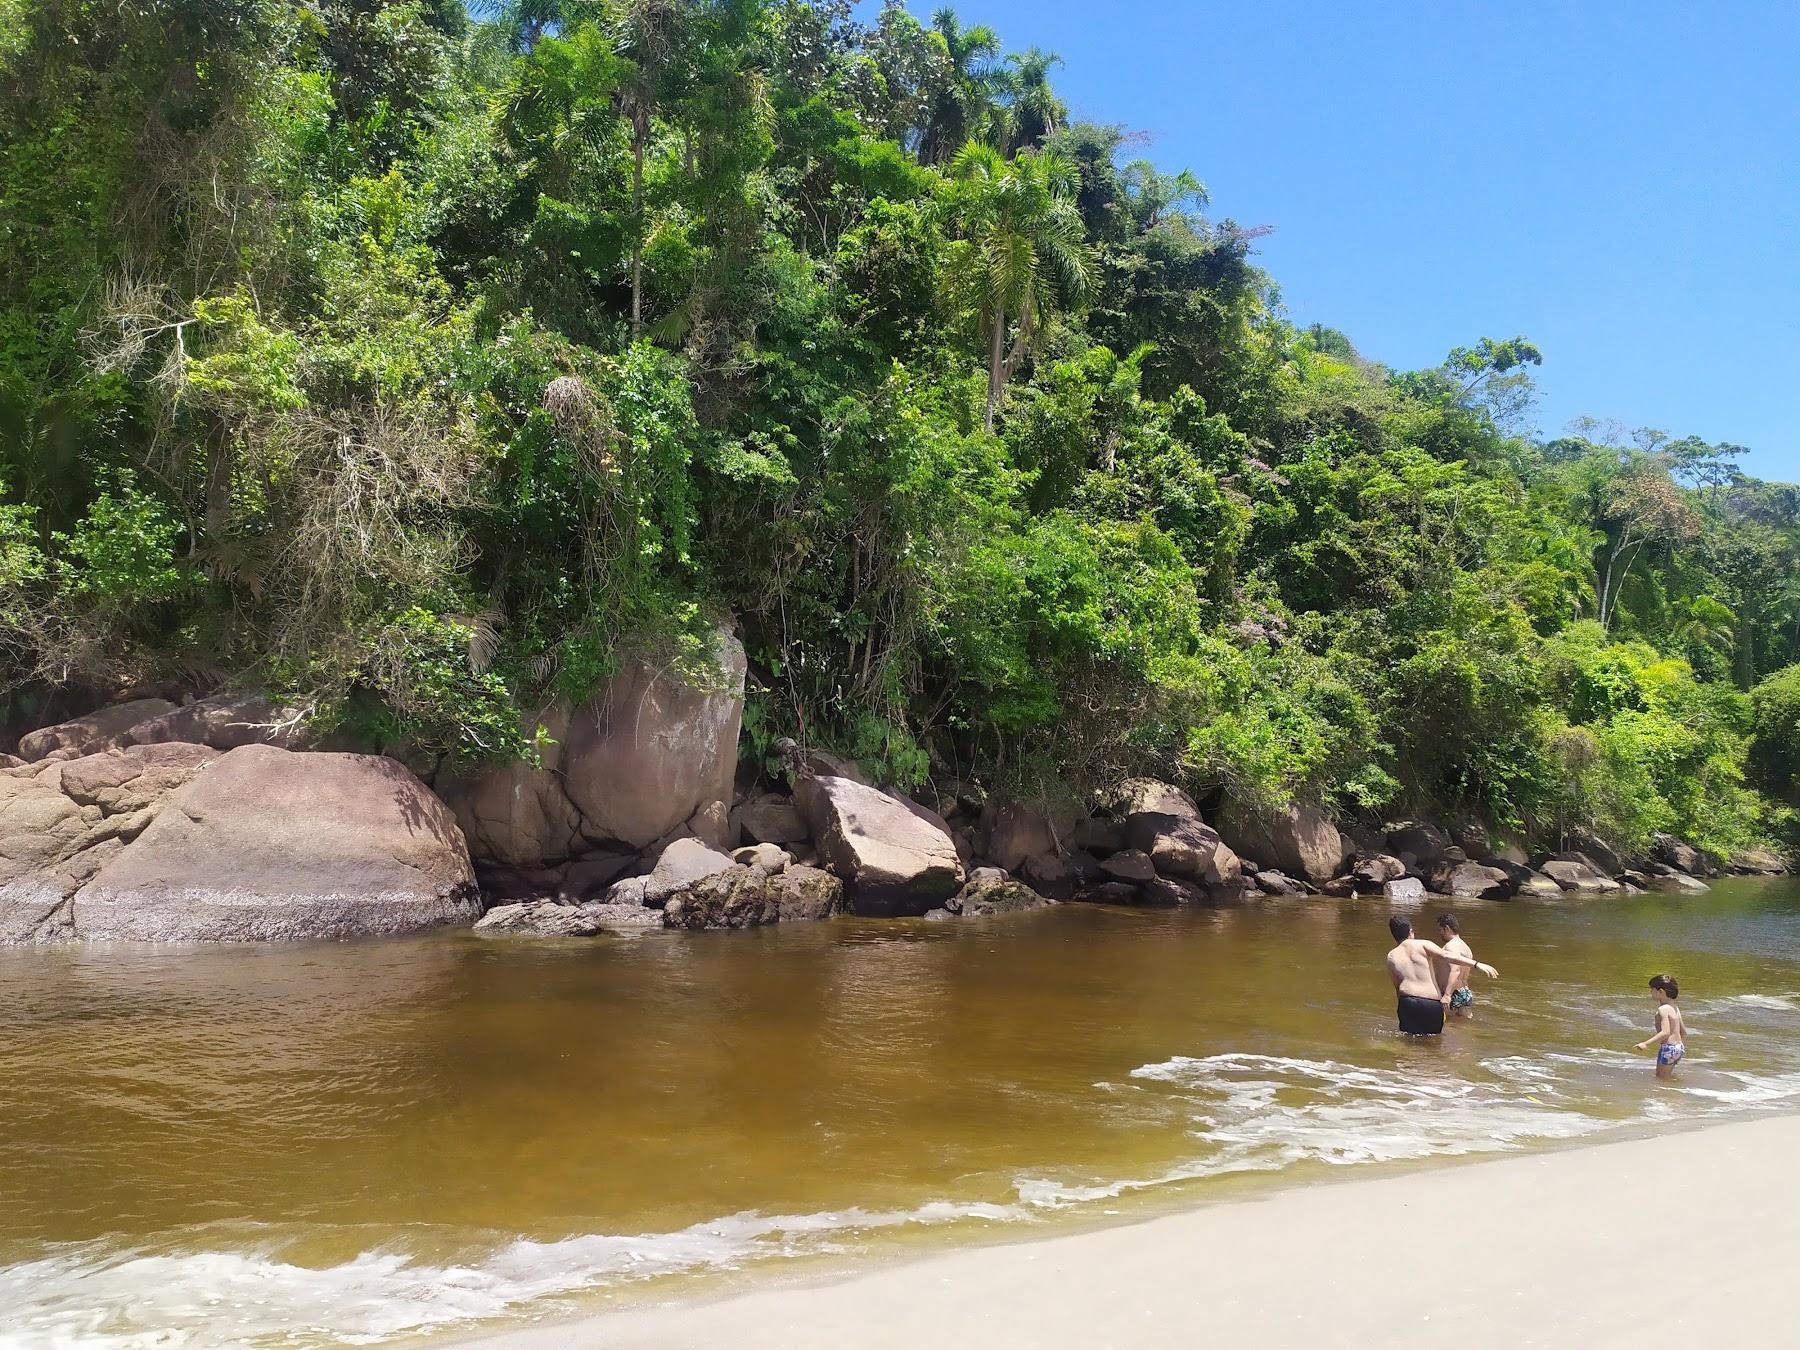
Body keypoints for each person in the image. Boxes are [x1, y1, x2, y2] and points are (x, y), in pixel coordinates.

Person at [1385, 915, 1497, 1036]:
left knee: (1408, 1041)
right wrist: (1476, 964)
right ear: (1410, 932)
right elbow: (1448, 956)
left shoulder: (1391, 956)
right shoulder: (1423, 944)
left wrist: (1403, 1010)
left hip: (1407, 1002)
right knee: (1434, 1042)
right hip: (1431, 1003)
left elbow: (1397, 987)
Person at [1635, 974, 1687, 1078]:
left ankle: (1670, 1093)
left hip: (1669, 1048)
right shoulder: (1675, 1007)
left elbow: (1665, 1032)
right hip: (1678, 1048)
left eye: (1652, 989)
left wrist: (1646, 1043)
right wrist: (1676, 1047)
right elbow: (1683, 1032)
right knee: (1666, 1076)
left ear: (1661, 992)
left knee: (1661, 1079)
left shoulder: (1663, 1009)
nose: (1650, 992)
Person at [1433, 913, 1481, 1013]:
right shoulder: (1466, 947)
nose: (1439, 933)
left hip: (1452, 994)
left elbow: (1455, 970)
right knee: (1459, 1026)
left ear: (1447, 928)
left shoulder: (1451, 946)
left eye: (1440, 930)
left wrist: (1447, 995)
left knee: (1447, 1026)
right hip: (1464, 992)